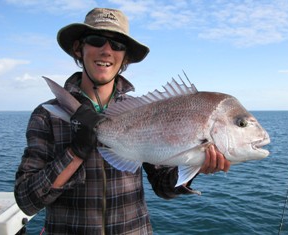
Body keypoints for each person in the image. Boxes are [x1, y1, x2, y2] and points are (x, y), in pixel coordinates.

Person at [14, 7, 231, 235]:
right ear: (79, 49)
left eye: (117, 45)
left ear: (125, 57)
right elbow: (26, 200)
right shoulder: (47, 114)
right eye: (97, 40)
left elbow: (163, 187)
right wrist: (75, 153)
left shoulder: (147, 112)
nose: (107, 51)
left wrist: (195, 164)